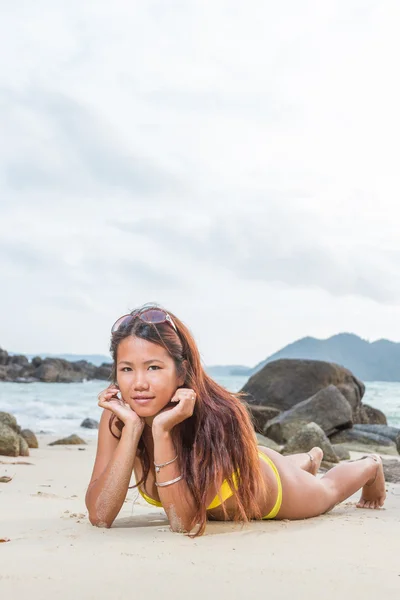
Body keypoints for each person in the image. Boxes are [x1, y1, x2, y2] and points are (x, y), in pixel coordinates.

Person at [85, 304, 386, 536]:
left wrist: (162, 432)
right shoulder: (119, 420)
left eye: (153, 367)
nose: (138, 383)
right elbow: (100, 515)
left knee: (326, 492)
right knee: (289, 465)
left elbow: (183, 522)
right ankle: (307, 458)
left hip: (268, 488)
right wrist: (132, 431)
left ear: (181, 371)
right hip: (246, 462)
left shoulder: (214, 417)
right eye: (126, 369)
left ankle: (370, 465)